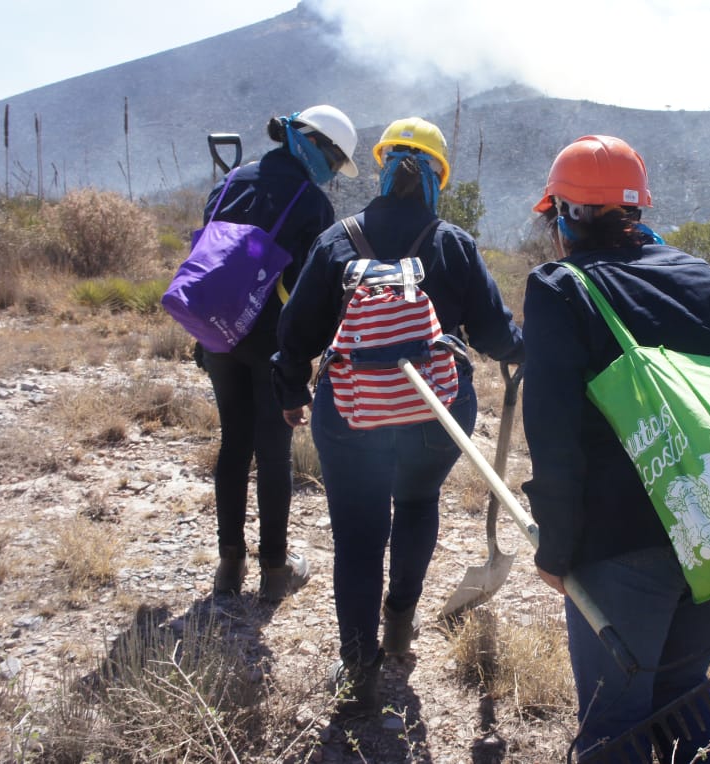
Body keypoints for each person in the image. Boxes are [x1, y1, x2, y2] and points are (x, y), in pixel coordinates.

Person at [271, 116, 525, 712]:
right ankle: (400, 627)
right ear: (438, 176)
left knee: (358, 538)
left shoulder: (338, 239)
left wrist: (291, 391)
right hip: (436, 414)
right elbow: (497, 335)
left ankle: (358, 664)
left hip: (351, 414)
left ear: (383, 169)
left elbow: (296, 330)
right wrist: (527, 345)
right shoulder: (452, 244)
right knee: (416, 506)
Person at [521, 135, 710, 762]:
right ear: (635, 211)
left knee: (614, 725)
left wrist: (556, 550)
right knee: (680, 687)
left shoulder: (560, 289)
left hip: (624, 551)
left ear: (563, 215)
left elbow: (555, 440)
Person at [203, 104, 361, 601]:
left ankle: (229, 564)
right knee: (273, 453)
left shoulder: (229, 183)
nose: (333, 173)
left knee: (233, 445)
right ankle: (274, 568)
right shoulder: (311, 204)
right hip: (271, 344)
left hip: (219, 336)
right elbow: (314, 291)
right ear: (312, 143)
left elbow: (206, 265)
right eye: (334, 161)